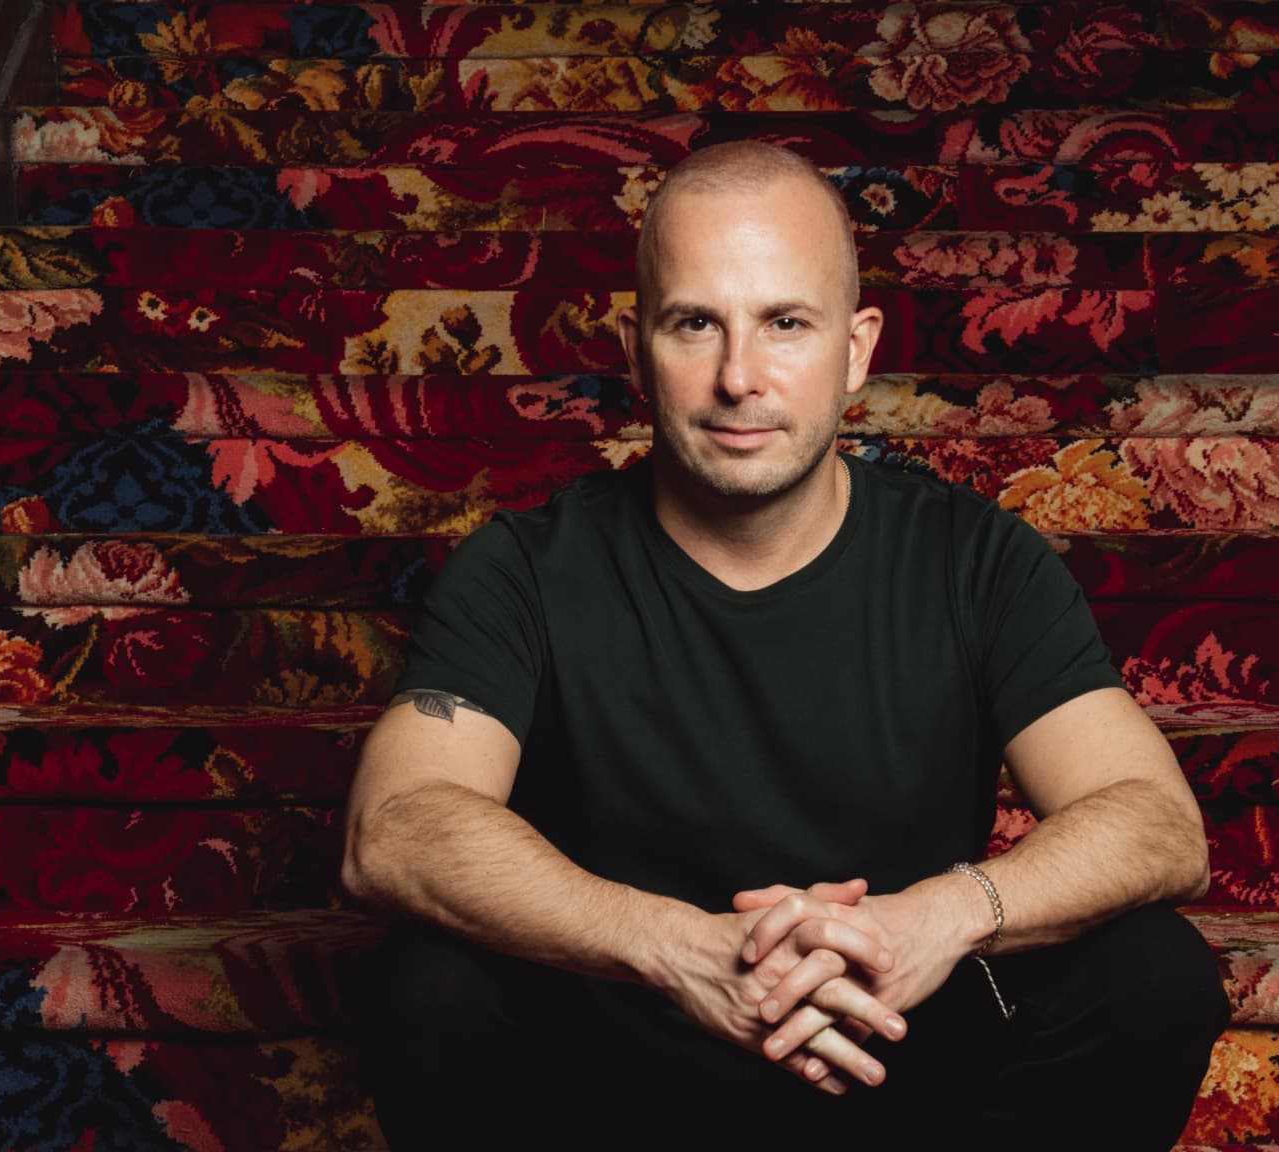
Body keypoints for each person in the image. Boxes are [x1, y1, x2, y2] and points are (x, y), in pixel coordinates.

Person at [341, 140, 1230, 1149]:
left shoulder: (969, 555)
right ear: (636, 344)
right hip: (616, 1072)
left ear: (853, 349)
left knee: (1151, 972)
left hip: (898, 1049)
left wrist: (929, 921)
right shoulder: (525, 569)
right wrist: (675, 948)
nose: (737, 377)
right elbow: (395, 830)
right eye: (694, 325)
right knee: (421, 983)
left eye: (784, 324)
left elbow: (1157, 824)